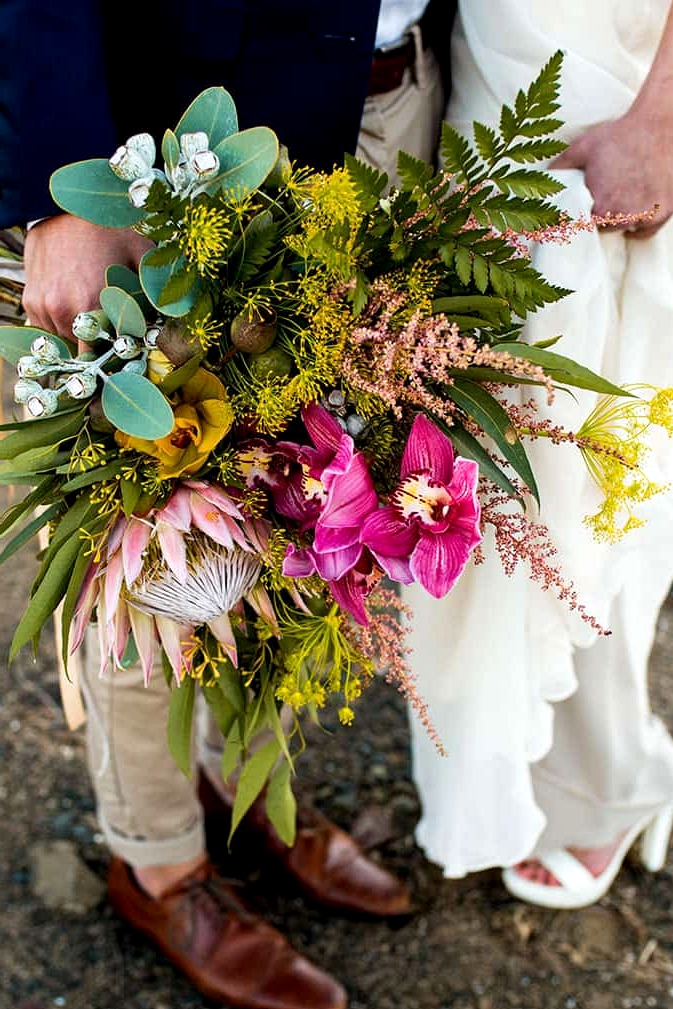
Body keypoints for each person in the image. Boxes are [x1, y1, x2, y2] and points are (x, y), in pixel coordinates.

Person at [0, 1, 454, 1005]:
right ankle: (157, 858)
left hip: (400, 101)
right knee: (151, 522)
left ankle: (247, 783)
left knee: (308, 502)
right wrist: (62, 189)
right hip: (175, 126)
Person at [405, 0, 673, 909]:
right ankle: (509, 765)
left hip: (622, 79)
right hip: (491, 70)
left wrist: (660, 119)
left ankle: (608, 782)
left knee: (602, 458)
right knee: (482, 465)